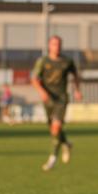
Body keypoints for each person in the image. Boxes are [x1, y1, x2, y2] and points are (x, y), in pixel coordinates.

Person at [31, 35, 81, 171]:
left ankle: (52, 159)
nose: (56, 47)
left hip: (61, 98)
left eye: (58, 44)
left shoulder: (67, 61)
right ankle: (67, 143)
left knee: (56, 127)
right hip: (48, 99)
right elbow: (34, 79)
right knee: (53, 130)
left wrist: (77, 90)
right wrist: (42, 92)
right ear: (49, 46)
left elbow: (76, 75)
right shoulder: (43, 61)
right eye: (53, 44)